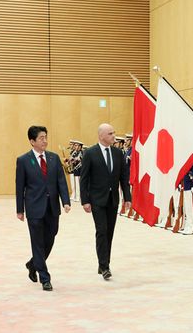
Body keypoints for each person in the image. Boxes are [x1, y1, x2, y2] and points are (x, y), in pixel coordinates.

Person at [16, 125, 71, 291]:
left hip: (52, 207)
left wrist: (66, 201)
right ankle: (45, 277)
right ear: (32, 141)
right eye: (41, 138)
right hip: (34, 208)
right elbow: (20, 186)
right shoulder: (24, 160)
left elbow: (61, 181)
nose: (45, 141)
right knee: (37, 242)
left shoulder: (54, 158)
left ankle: (33, 264)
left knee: (51, 237)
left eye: (45, 137)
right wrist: (20, 209)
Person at [80, 123, 131, 280]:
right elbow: (84, 178)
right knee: (101, 231)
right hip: (97, 200)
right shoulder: (90, 153)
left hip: (113, 199)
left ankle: (103, 262)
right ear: (101, 135)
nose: (113, 136)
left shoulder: (117, 153)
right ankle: (104, 266)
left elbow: (124, 177)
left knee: (109, 232)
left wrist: (127, 198)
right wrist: (85, 200)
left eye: (113, 133)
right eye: (110, 133)